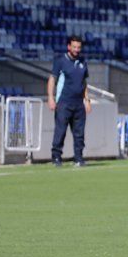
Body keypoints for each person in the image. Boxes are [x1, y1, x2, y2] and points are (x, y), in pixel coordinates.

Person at [48, 36, 91, 167]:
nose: (77, 50)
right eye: (74, 47)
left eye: (79, 47)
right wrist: (50, 97)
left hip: (79, 104)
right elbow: (52, 79)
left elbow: (84, 82)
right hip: (64, 103)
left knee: (79, 134)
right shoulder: (60, 61)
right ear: (69, 47)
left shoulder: (83, 61)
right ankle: (56, 158)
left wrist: (87, 100)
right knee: (60, 132)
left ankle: (78, 158)